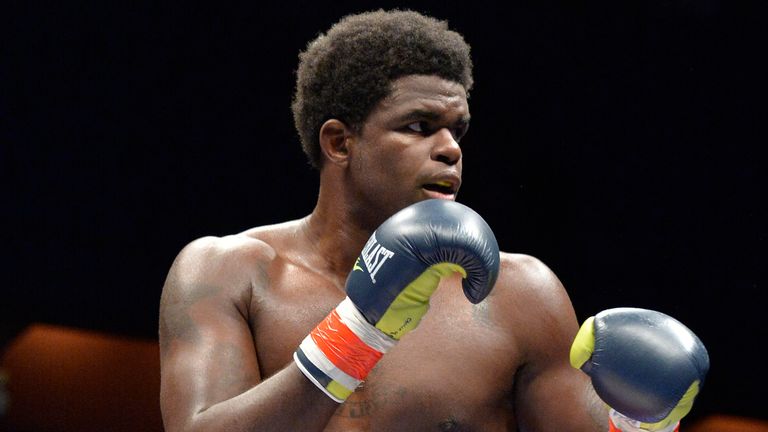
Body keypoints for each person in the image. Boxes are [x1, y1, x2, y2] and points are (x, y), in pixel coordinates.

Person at [159, 10, 708, 432]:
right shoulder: (230, 272)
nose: (450, 149)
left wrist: (646, 424)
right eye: (420, 126)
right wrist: (358, 333)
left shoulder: (520, 295)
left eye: (457, 131)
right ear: (340, 142)